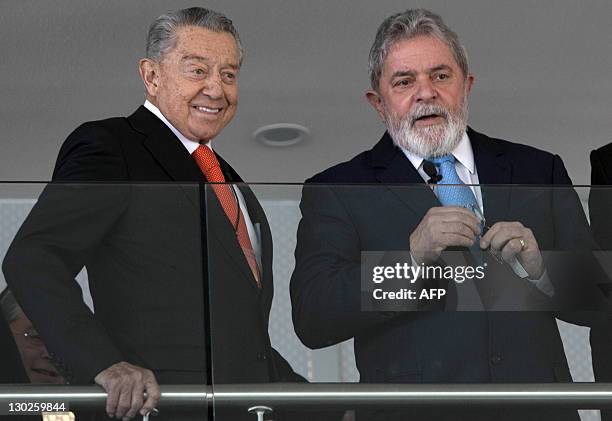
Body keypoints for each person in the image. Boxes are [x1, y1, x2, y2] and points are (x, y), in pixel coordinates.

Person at [290, 9, 606, 421]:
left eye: (441, 76)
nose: (426, 93)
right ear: (378, 103)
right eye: (404, 81)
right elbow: (314, 317)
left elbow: (601, 301)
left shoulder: (537, 169)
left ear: (466, 85)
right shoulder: (337, 189)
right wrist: (410, 258)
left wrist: (540, 267)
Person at [3, 7, 303, 421]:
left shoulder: (232, 182)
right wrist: (102, 364)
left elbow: (241, 338)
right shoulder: (112, 146)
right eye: (197, 70)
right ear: (152, 75)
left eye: (229, 74)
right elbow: (33, 259)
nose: (216, 89)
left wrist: (331, 406)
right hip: (157, 409)